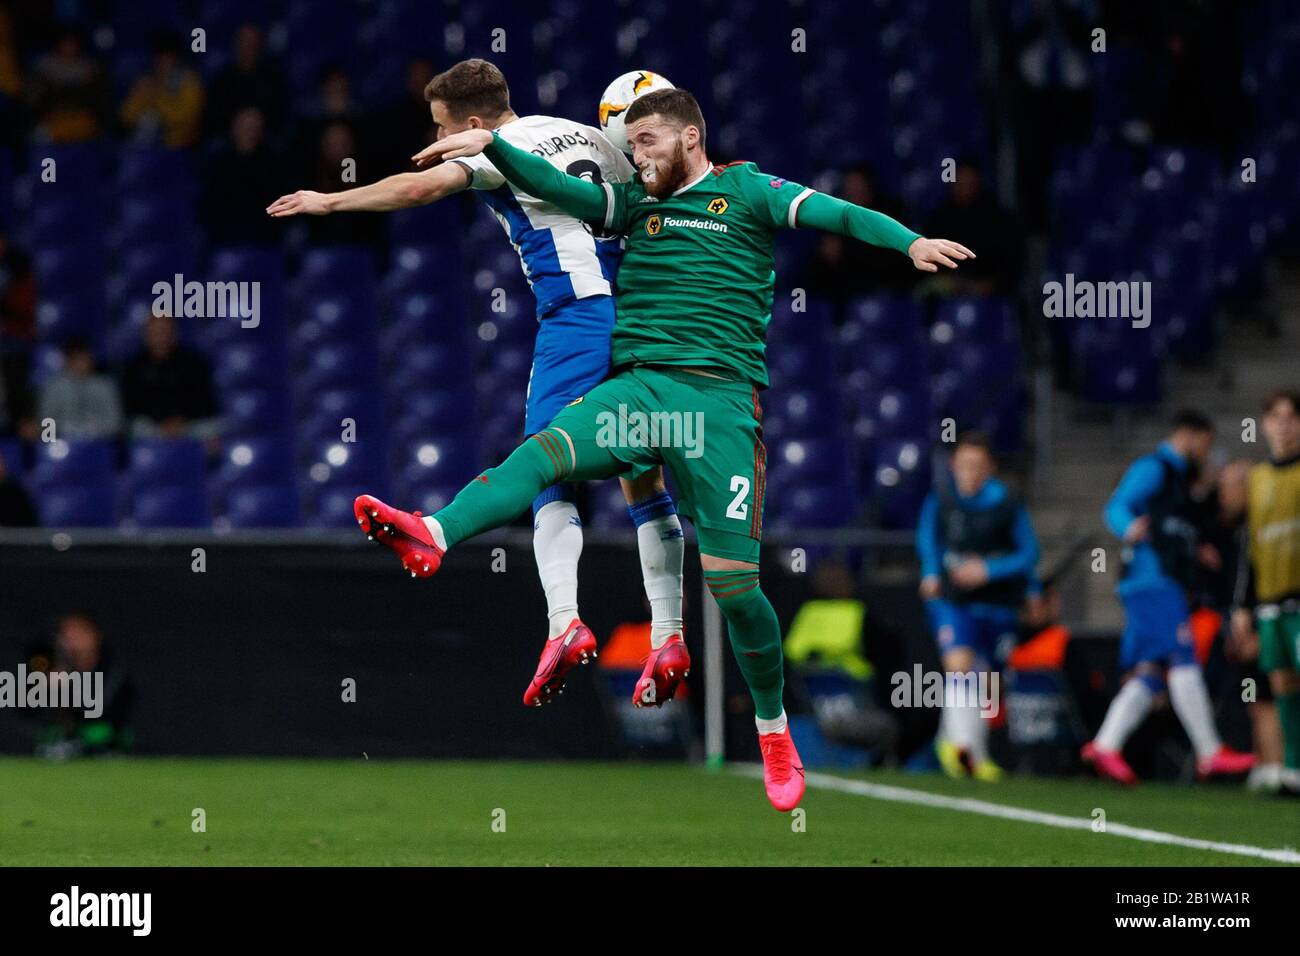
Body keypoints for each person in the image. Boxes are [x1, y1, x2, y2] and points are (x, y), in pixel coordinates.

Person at [357, 86, 973, 810]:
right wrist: (493, 145)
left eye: (645, 141)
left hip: (718, 410)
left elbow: (835, 211)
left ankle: (774, 731)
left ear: (688, 138)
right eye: (628, 141)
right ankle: (434, 533)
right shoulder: (631, 205)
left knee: (737, 589)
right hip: (642, 397)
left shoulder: (746, 190)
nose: (631, 154)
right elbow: (556, 185)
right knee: (545, 451)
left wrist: (911, 242)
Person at [268, 59, 687, 711]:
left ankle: (552, 614)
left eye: (439, 125)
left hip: (577, 319)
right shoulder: (582, 134)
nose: (435, 134)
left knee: (548, 469)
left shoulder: (499, 152)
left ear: (469, 123)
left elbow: (417, 191)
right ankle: (669, 634)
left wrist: (331, 200)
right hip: (643, 320)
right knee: (643, 475)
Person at [1083, 410, 1256, 784]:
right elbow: (1115, 506)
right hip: (1152, 581)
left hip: (1159, 581)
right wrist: (1129, 528)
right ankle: (1210, 751)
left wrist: (1194, 550)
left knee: (1152, 673)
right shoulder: (1155, 467)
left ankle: (1105, 744)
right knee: (1182, 656)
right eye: (1205, 444)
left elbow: (1172, 529)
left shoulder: (1177, 480)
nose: (1205, 454)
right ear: (1191, 436)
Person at [916, 431, 1039, 781]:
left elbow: (1030, 553)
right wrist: (931, 572)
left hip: (997, 601)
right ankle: (963, 751)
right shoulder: (940, 499)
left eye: (978, 466)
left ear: (990, 469)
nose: (971, 472)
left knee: (987, 682)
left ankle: (960, 746)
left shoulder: (1008, 503)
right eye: (965, 464)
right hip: (954, 599)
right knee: (959, 664)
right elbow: (928, 539)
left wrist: (989, 570)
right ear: (954, 465)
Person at [1232, 390, 1300, 796]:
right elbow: (1250, 547)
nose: (1285, 424)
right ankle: (1293, 767)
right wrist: (1241, 605)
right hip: (1271, 605)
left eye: (1293, 416)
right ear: (1264, 424)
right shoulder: (1256, 479)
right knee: (1283, 685)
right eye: (1276, 417)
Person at [121, 312, 219, 440]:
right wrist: (162, 424)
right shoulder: (133, 367)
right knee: (136, 427)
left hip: (188, 426)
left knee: (212, 429)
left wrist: (181, 421)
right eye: (155, 332)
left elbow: (204, 403)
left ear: (174, 334)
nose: (160, 337)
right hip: (152, 428)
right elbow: (132, 407)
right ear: (146, 335)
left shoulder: (195, 364)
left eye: (165, 331)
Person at [37, 337, 123, 440]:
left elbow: (116, 423)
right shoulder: (54, 387)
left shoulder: (105, 385)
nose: (80, 363)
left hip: (98, 444)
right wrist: (65, 430)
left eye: (84, 359)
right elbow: (45, 423)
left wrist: (91, 431)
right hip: (61, 445)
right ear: (67, 361)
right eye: (76, 359)